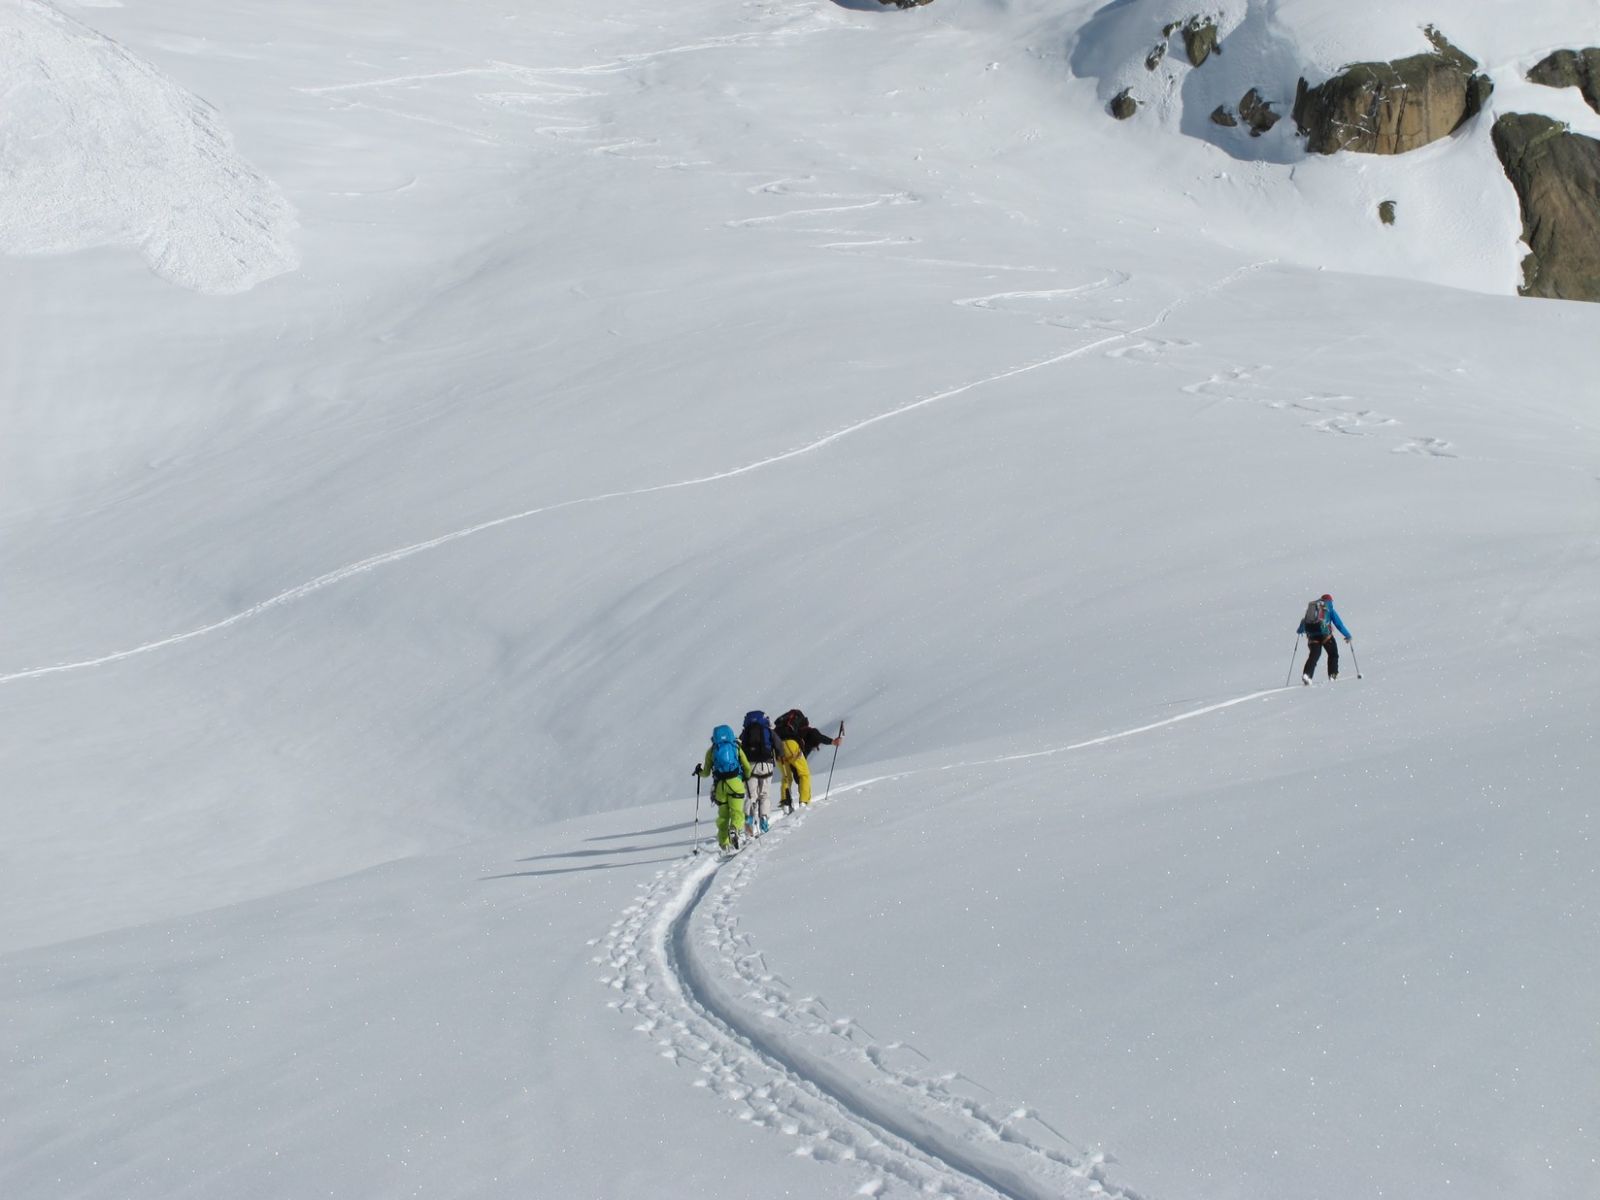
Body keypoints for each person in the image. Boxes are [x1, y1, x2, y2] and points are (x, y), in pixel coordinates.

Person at [773, 709, 841, 810]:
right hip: (791, 745)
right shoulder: (807, 730)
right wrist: (832, 741)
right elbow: (817, 736)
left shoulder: (789, 729)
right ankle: (804, 802)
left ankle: (785, 802)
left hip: (777, 746)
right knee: (804, 774)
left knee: (786, 777)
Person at [696, 725, 750, 852]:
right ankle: (735, 828)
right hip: (736, 784)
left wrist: (699, 771)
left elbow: (706, 773)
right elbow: (747, 766)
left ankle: (724, 844)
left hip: (720, 786)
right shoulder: (736, 747)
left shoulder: (712, 751)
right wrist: (745, 777)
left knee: (723, 817)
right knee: (737, 812)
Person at [1298, 593, 1352, 683]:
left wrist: (1300, 630)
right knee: (1333, 654)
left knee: (1313, 656)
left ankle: (1307, 675)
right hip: (1326, 636)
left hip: (1312, 636)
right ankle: (1333, 674)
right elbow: (1339, 624)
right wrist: (1347, 635)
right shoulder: (1329, 609)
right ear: (1330, 601)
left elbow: (1304, 621)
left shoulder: (1313, 608)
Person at [739, 711, 777, 836]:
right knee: (764, 795)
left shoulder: (745, 732)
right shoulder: (767, 730)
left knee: (751, 795)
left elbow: (739, 747)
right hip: (766, 765)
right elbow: (779, 746)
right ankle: (764, 818)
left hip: (750, 766)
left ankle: (748, 819)